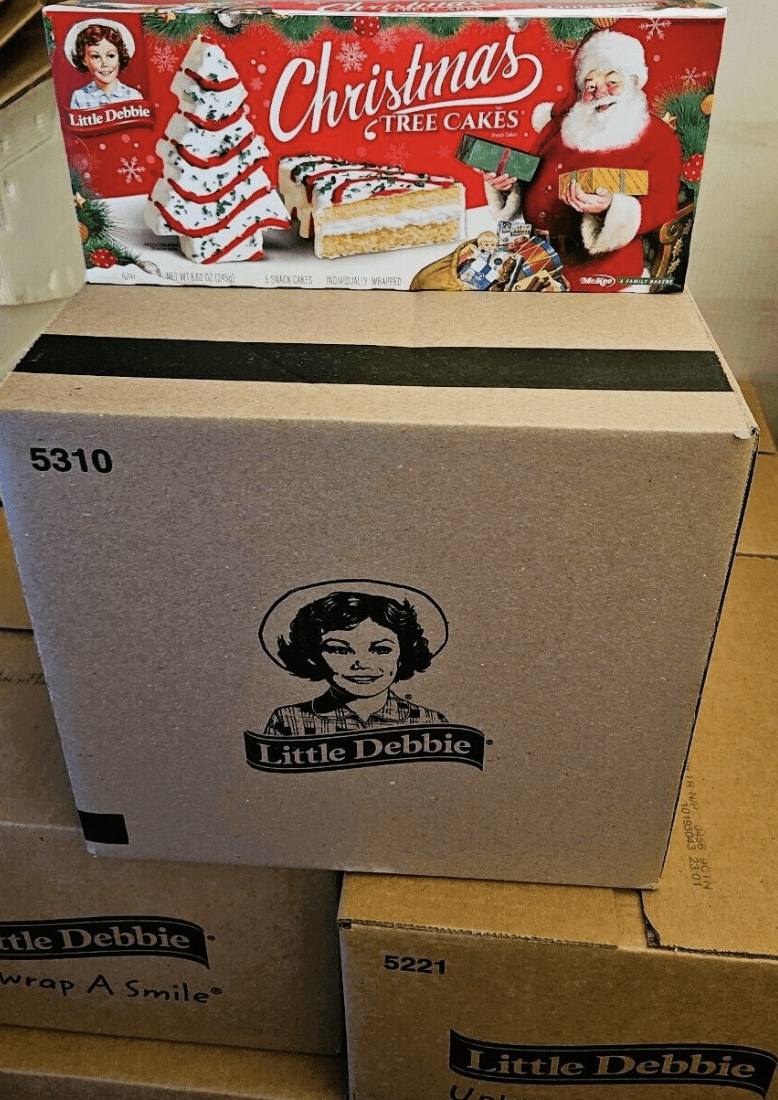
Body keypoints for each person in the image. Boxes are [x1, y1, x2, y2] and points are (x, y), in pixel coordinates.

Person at [483, 30, 682, 292]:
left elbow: (663, 203)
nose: (600, 93)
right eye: (591, 86)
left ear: (634, 81)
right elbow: (531, 176)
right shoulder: (560, 126)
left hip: (604, 280)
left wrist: (609, 209)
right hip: (536, 267)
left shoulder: (657, 136)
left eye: (612, 82)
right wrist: (506, 185)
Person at [262, 590, 448, 737]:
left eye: (381, 650)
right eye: (340, 650)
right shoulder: (287, 720)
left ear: (403, 655)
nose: (362, 664)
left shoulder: (430, 721)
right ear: (312, 656)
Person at [69, 23, 143, 109]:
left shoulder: (133, 96)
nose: (104, 64)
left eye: (111, 56)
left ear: (120, 57)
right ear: (84, 60)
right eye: (96, 57)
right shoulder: (79, 97)